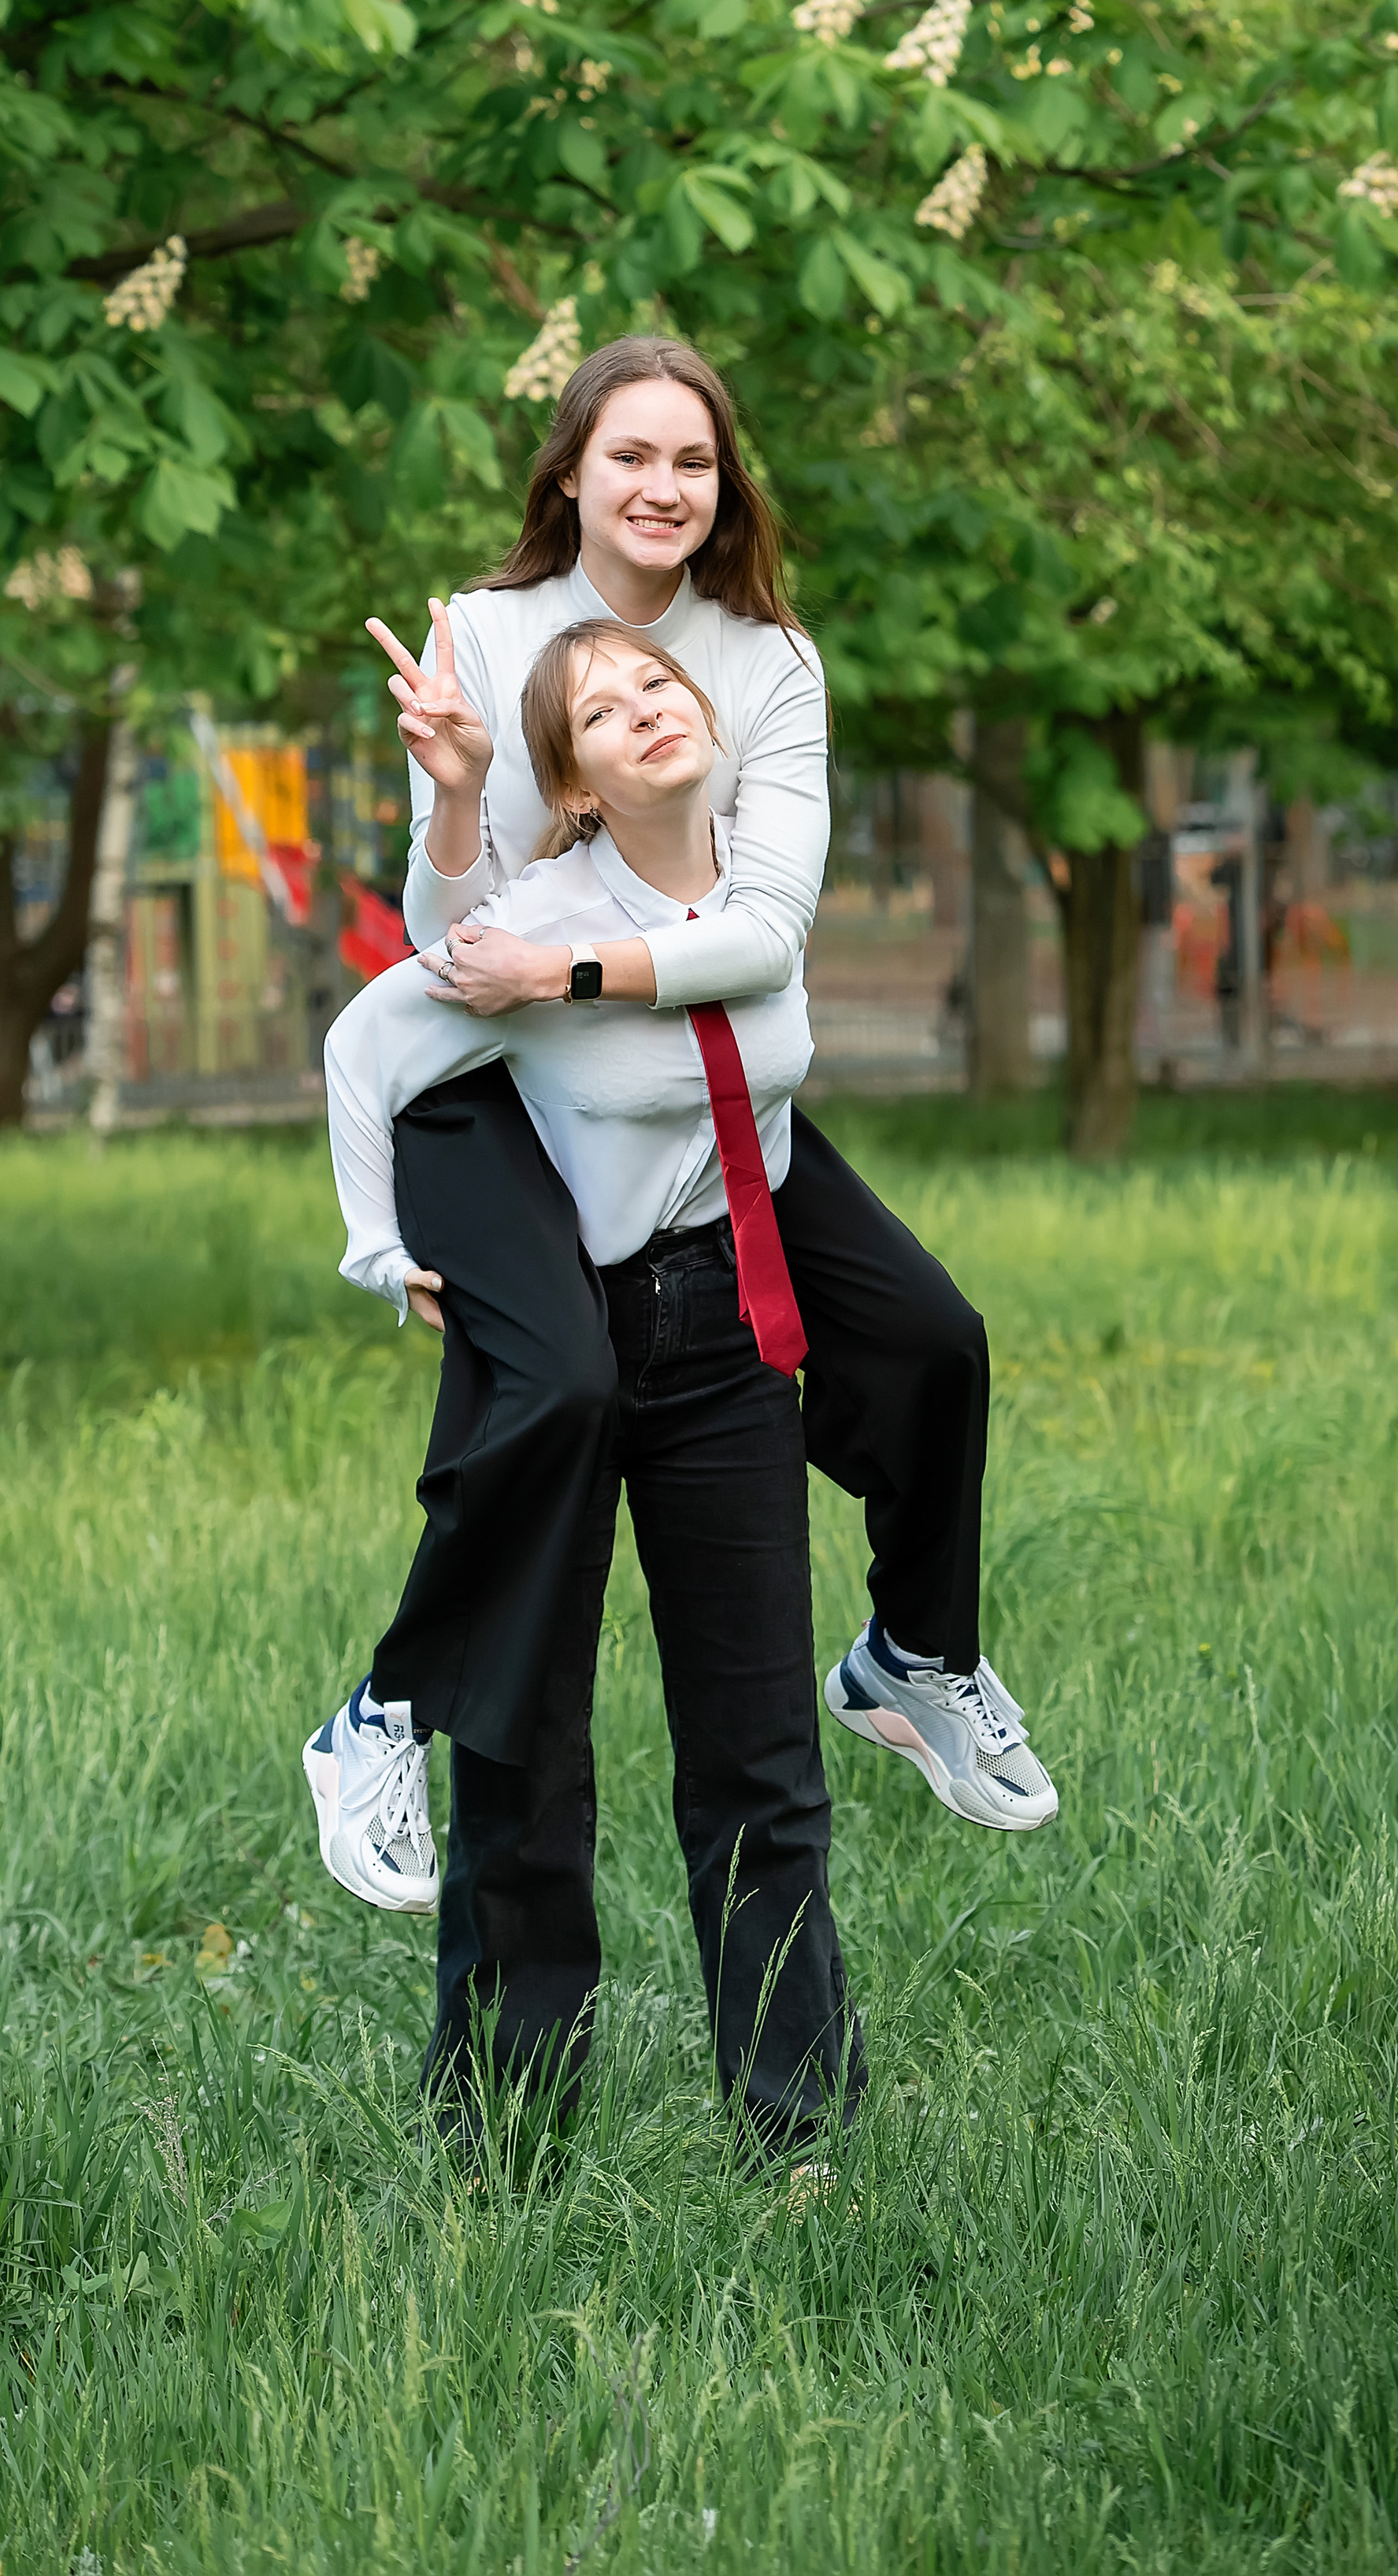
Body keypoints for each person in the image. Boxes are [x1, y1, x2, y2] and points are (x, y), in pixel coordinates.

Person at [323, 335, 1055, 1899]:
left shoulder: (764, 659)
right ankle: (391, 1713)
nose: (662, 486)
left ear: (722, 487)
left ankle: (912, 1653)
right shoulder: (485, 629)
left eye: (692, 461)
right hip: (495, 1099)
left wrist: (567, 968)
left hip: (688, 1071)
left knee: (930, 1338)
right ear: (568, 474)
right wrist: (455, 792)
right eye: (630, 456)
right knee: (560, 1396)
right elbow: (445, 941)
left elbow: (764, 930)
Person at [311, 622, 858, 2144]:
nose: (646, 713)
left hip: (733, 1336)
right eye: (604, 714)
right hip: (572, 1323)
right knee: (523, 1754)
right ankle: (503, 2139)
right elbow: (365, 1043)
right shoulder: (536, 919)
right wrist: (376, 1245)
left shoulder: (765, 878)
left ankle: (797, 2134)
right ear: (580, 784)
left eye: (659, 686)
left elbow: (759, 989)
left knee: (760, 1760)